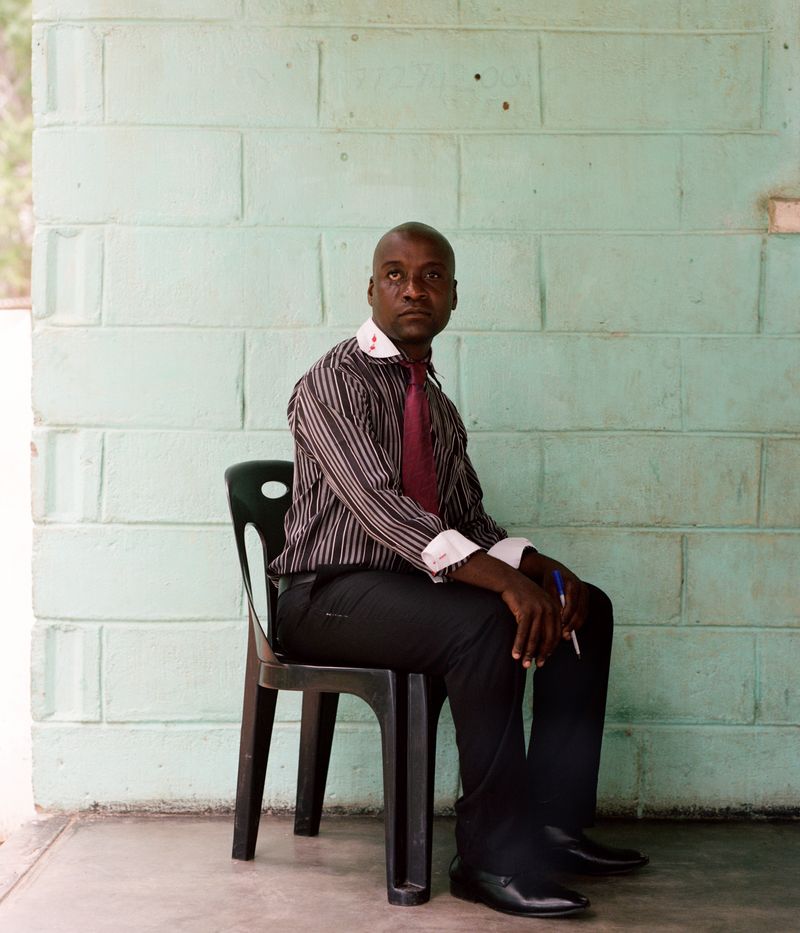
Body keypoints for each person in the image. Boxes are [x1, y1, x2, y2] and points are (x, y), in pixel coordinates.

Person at [270, 221, 648, 919]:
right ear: (372, 289)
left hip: (405, 589)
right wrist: (504, 583)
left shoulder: (436, 404)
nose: (413, 287)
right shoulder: (330, 383)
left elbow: (469, 519)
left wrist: (537, 566)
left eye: (432, 275)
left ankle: (555, 826)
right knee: (483, 621)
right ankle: (490, 855)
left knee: (582, 607)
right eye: (395, 274)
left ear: (451, 298)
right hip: (325, 595)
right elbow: (383, 511)